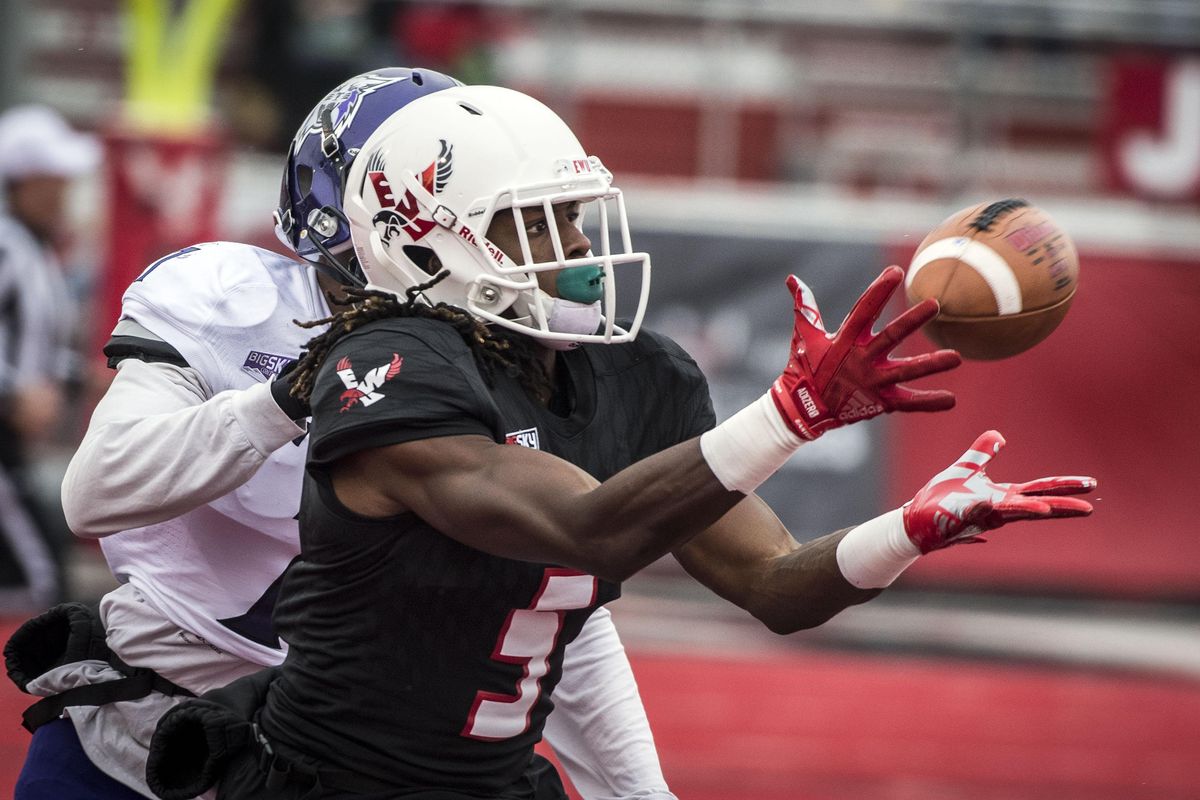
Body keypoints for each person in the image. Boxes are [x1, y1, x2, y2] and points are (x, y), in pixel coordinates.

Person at [144, 85, 1095, 800]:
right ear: (430, 243)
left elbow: (775, 586)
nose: (574, 245)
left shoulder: (640, 375)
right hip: (329, 781)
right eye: (536, 221)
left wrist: (906, 532)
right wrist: (790, 416)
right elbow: (588, 529)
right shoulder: (386, 363)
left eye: (572, 213)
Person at [7, 70, 678, 800]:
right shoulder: (236, 305)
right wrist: (286, 399)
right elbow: (96, 491)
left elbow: (549, 608)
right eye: (513, 222)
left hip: (344, 764)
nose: (564, 256)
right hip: (146, 742)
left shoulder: (510, 368)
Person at [0, 104, 99, 614]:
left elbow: (36, 347)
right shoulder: (8, 246)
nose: (65, 191)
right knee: (40, 581)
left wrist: (89, 381)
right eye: (54, 180)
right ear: (25, 182)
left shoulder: (35, 253)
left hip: (15, 451)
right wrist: (11, 396)